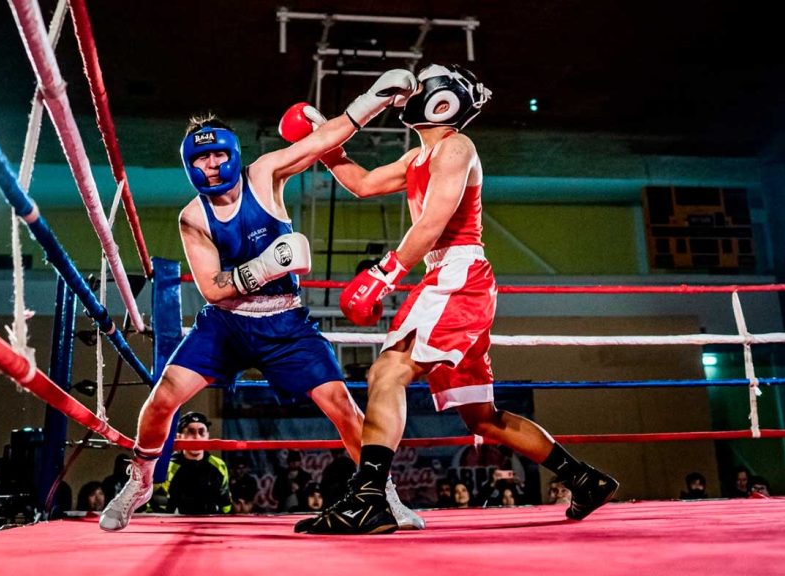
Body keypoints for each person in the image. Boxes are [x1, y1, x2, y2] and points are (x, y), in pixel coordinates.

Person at [293, 64, 619, 534]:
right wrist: (326, 143)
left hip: (457, 276)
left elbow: (432, 223)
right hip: (452, 278)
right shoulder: (418, 156)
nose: (409, 93)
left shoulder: (456, 146)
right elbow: (362, 183)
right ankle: (584, 479)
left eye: (420, 85)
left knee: (387, 372)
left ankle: (369, 500)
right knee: (482, 417)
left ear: (442, 100)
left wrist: (385, 274)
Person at [100, 69, 425, 532]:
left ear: (232, 154)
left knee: (343, 407)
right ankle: (142, 482)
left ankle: (383, 495)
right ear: (190, 165)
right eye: (202, 158)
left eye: (218, 154)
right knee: (160, 401)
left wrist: (373, 98)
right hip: (226, 324)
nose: (212, 165)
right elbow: (212, 288)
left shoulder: (265, 174)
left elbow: (322, 139)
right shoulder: (193, 217)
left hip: (285, 323)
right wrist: (268, 265)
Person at [155, 412, 232, 515]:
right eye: (190, 432)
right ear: (179, 436)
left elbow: (225, 504)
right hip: (174, 523)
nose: (197, 437)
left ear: (207, 436)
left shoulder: (218, 465)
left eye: (201, 432)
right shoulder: (168, 466)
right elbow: (158, 504)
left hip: (211, 522)